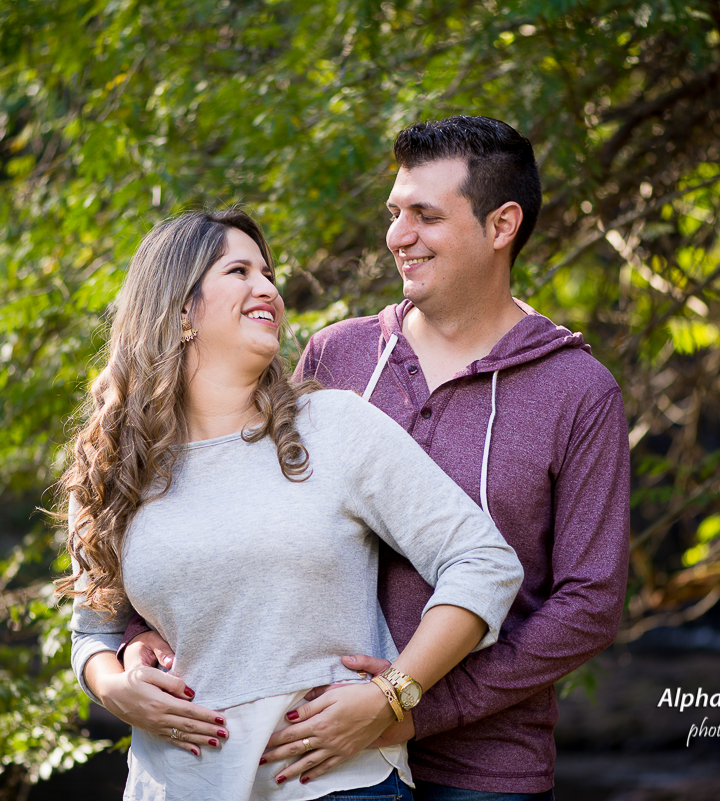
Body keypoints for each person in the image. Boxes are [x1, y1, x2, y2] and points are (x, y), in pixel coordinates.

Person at [116, 117, 631, 800]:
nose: (397, 236)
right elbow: (231, 510)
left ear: (501, 225)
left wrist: (403, 707)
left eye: (424, 214)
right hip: (319, 760)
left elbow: (588, 605)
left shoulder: (577, 390)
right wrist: (133, 637)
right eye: (394, 212)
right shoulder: (339, 358)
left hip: (486, 766)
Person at [60, 208, 523, 801]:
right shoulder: (112, 461)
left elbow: (483, 562)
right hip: (175, 785)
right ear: (179, 310)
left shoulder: (332, 427)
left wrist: (394, 693)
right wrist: (114, 688)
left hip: (337, 785)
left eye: (268, 272)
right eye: (239, 271)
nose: (269, 288)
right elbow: (91, 633)